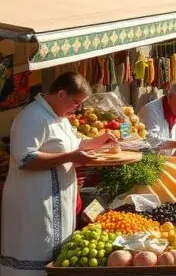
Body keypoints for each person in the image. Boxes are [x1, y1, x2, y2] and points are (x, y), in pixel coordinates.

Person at [1, 73, 117, 276]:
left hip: (57, 202)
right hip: (34, 202)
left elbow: (72, 145)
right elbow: (25, 159)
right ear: (61, 94)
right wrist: (70, 157)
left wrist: (98, 141)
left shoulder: (60, 118)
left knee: (54, 255)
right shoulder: (32, 117)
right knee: (34, 251)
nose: (77, 108)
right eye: (76, 102)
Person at [139, 79, 176, 154]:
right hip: (147, 159)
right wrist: (175, 144)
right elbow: (149, 139)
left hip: (168, 159)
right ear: (170, 97)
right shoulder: (151, 110)